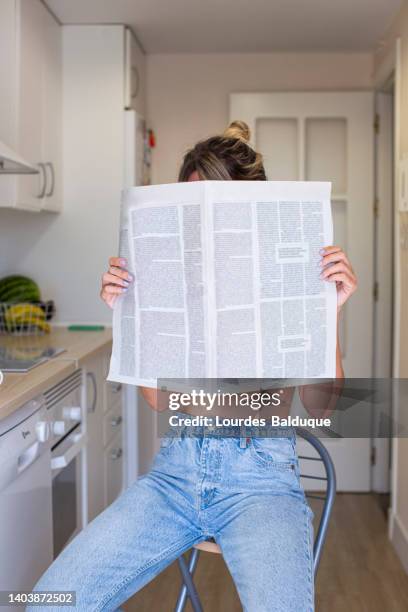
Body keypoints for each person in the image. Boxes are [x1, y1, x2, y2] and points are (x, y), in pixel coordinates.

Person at [30, 121, 357, 612]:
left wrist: (328, 313)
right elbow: (158, 401)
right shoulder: (170, 282)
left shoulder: (293, 274)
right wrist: (131, 314)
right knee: (49, 603)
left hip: (261, 485)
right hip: (174, 478)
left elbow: (321, 409)